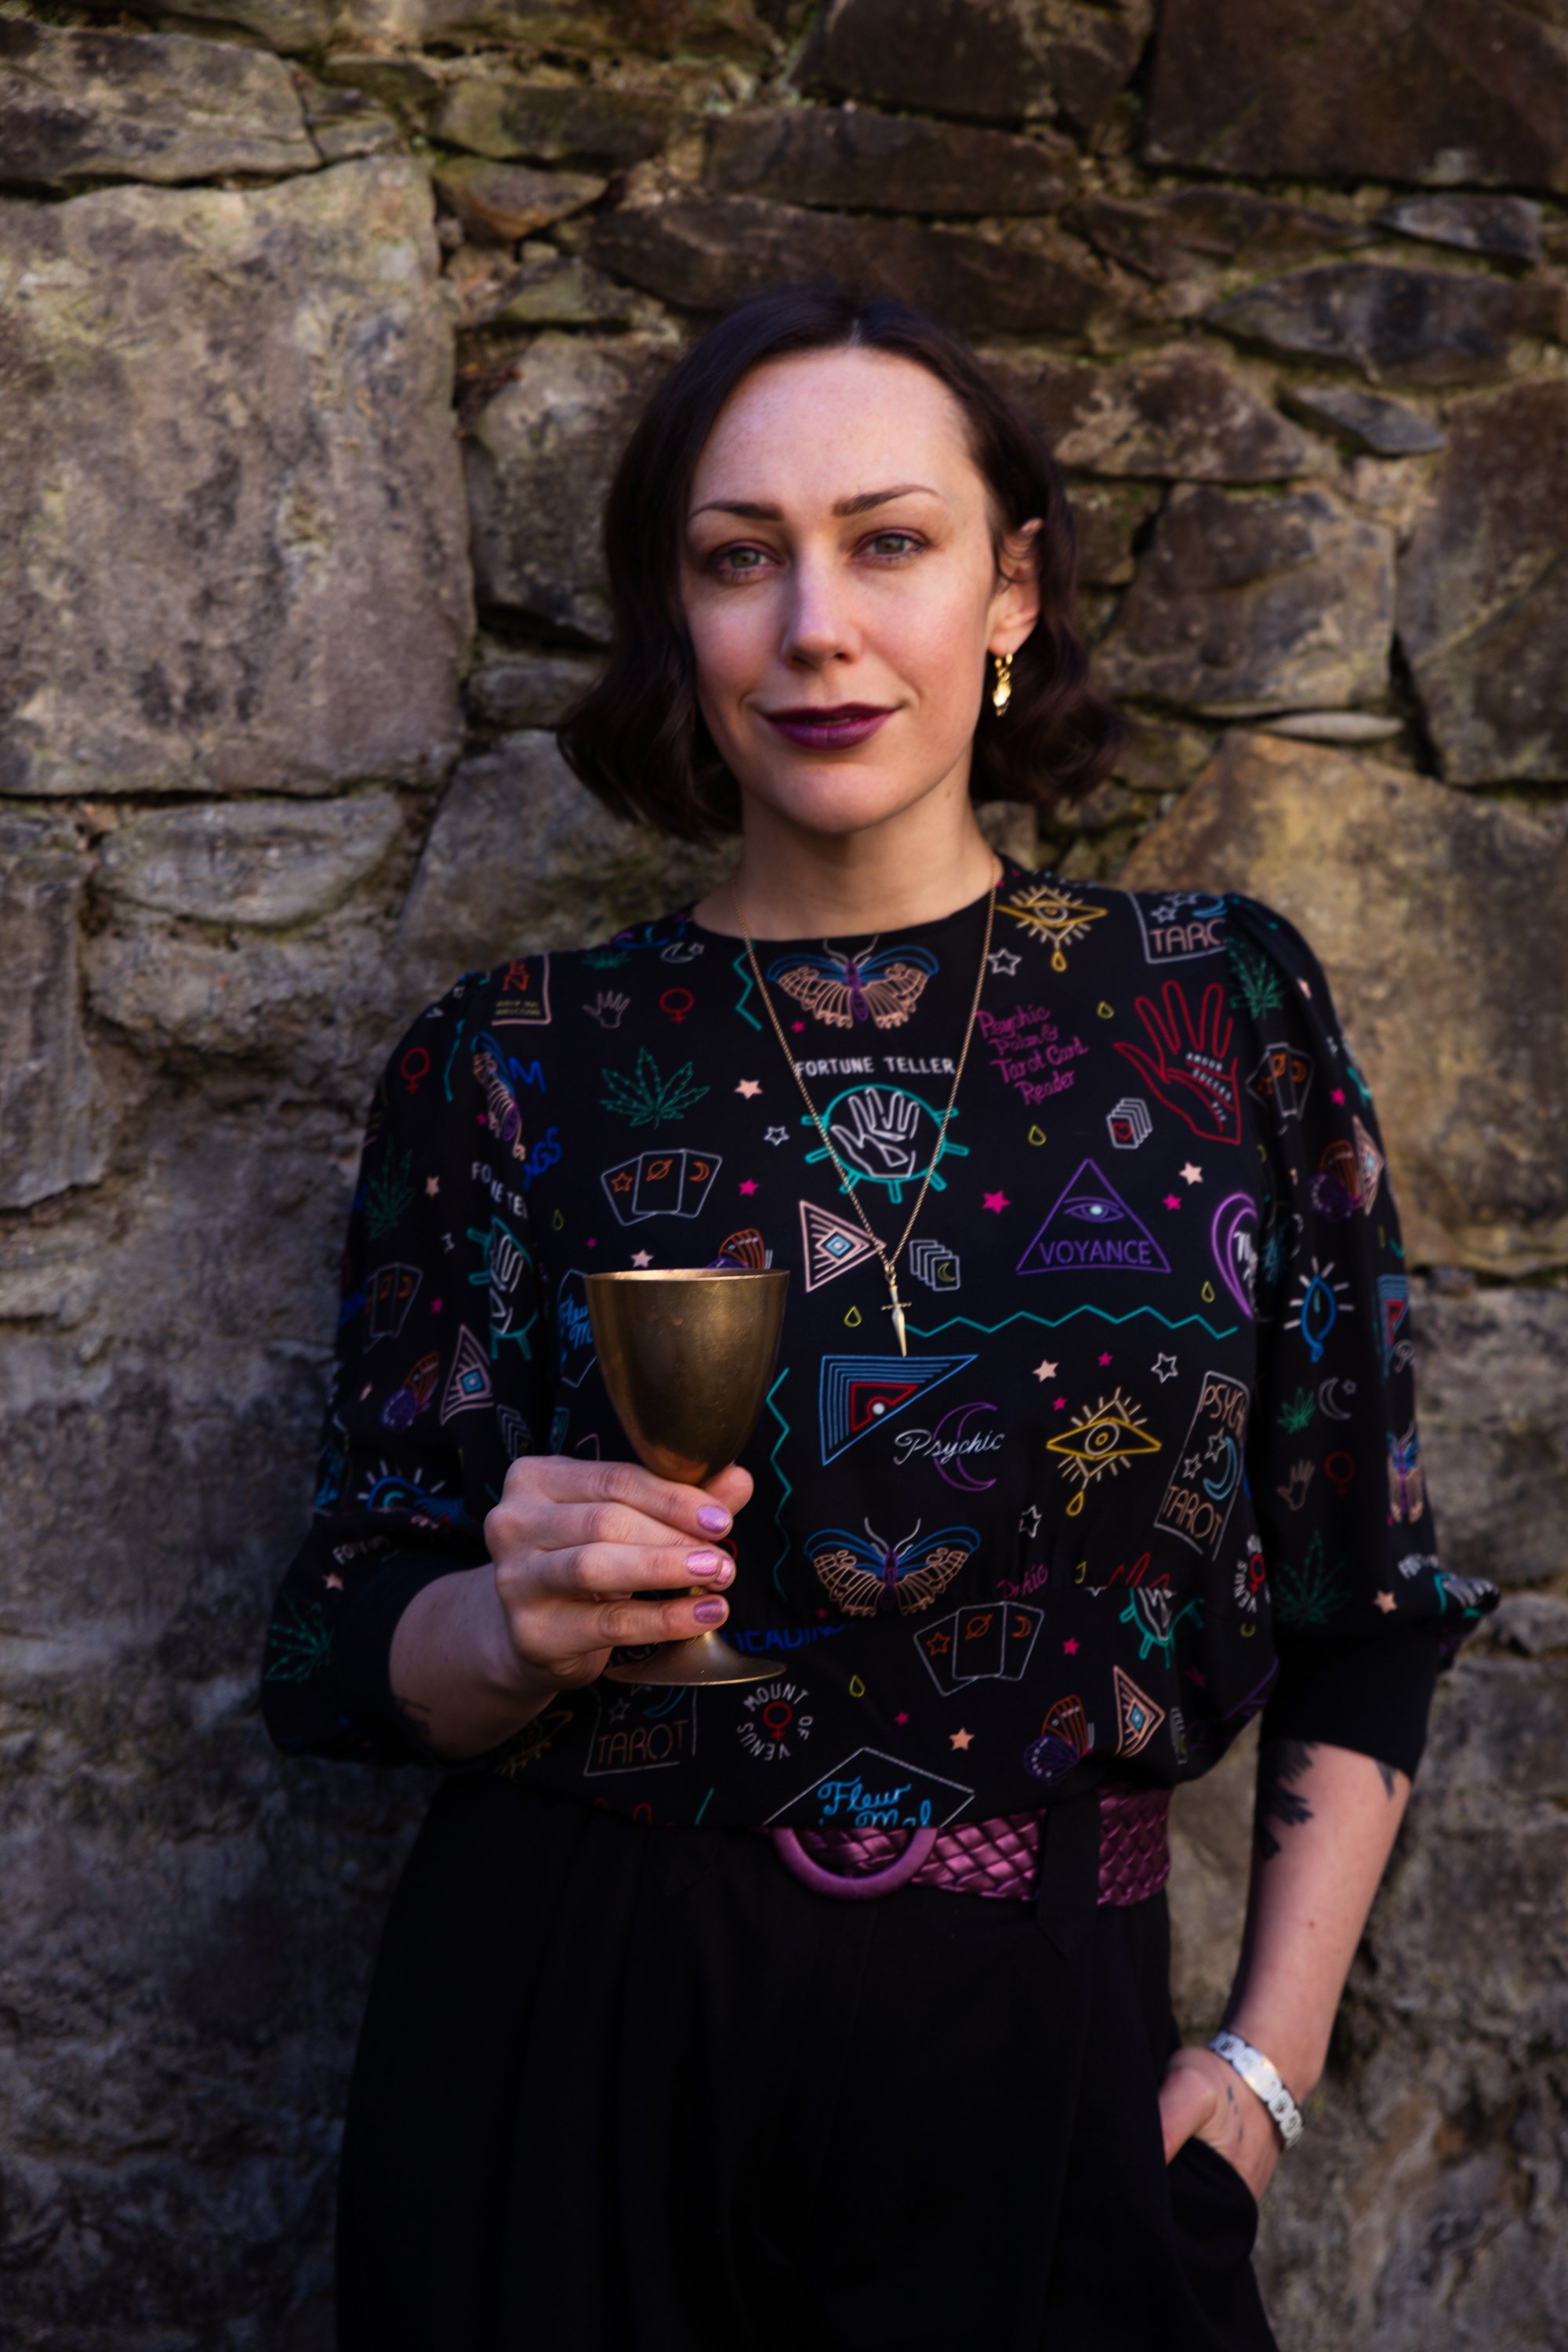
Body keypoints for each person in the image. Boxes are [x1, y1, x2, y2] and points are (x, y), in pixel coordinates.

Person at [262, 284, 1497, 2351]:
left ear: (1013, 586)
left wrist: (1258, 2085)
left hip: (1048, 2056)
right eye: (741, 559)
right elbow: (335, 1631)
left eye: (888, 540)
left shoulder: (1222, 1009)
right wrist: (504, 1617)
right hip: (566, 2030)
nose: (814, 626)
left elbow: (1368, 1599)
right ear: (679, 619)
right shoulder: (511, 1056)